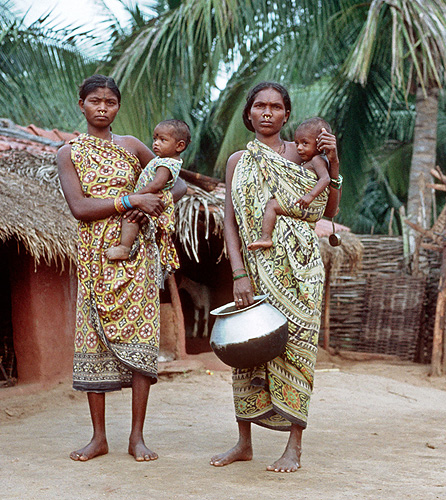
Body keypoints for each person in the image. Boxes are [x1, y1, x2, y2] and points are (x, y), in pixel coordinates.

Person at [210, 82, 342, 473]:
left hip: (301, 270)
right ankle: (244, 442)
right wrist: (237, 274)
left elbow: (327, 210)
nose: (267, 112)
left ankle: (294, 445)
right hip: (253, 267)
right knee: (246, 349)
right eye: (260, 106)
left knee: (297, 349)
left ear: (287, 114)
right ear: (248, 113)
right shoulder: (237, 161)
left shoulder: (304, 154)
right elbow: (230, 223)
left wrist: (335, 161)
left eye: (276, 106)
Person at [57, 74, 187, 462]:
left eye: (110, 102)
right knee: (92, 339)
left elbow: (175, 180)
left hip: (136, 257)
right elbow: (79, 208)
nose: (102, 107)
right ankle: (98, 437)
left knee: (142, 340)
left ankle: (137, 437)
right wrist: (131, 199)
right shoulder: (68, 153)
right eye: (94, 101)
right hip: (95, 256)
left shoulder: (131, 146)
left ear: (118, 107)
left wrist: (155, 202)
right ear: (81, 104)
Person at [106, 119, 189, 265]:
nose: (156, 143)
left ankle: (125, 247)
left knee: (130, 218)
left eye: (163, 140)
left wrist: (136, 196)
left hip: (147, 199)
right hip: (146, 197)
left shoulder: (166, 164)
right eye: (155, 138)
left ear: (179, 145)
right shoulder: (162, 160)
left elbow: (157, 184)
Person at [247, 117, 332, 251]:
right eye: (297, 143)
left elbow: (325, 179)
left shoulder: (317, 160)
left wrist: (310, 196)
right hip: (305, 205)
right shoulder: (312, 160)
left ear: (319, 144)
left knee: (272, 205)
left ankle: (266, 237)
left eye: (305, 143)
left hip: (309, 204)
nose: (299, 148)